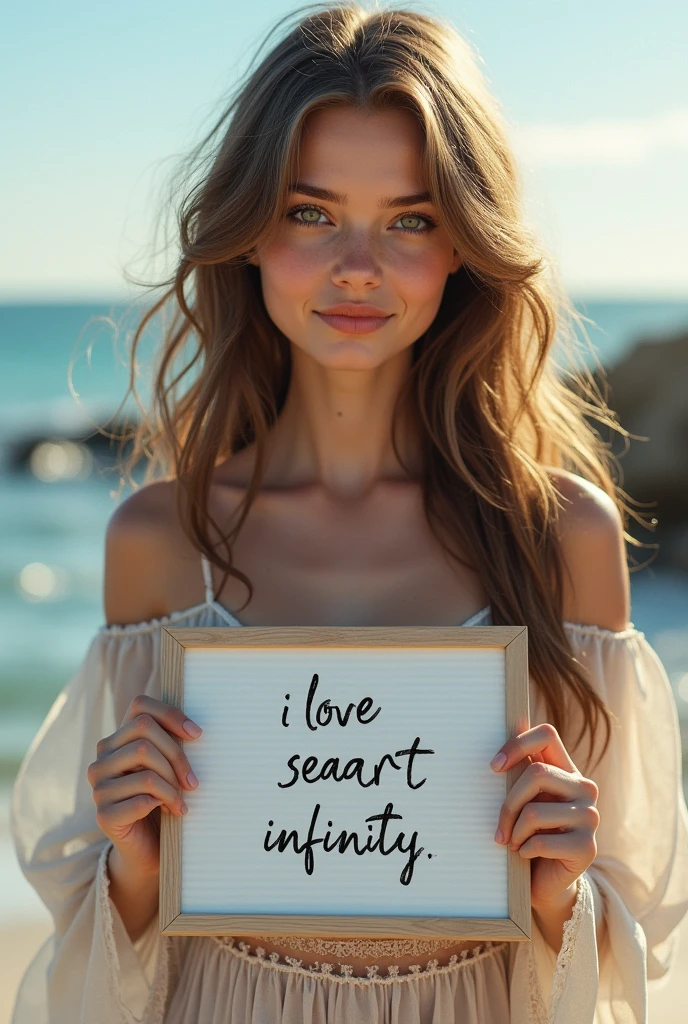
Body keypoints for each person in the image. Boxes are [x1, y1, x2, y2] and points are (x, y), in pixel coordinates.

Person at [10, 3, 688, 1022]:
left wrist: (559, 898)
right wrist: (137, 870)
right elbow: (100, 982)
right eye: (310, 213)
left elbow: (634, 962)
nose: (357, 265)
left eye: (409, 219)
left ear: (462, 242)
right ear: (248, 234)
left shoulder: (564, 542)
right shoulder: (158, 545)